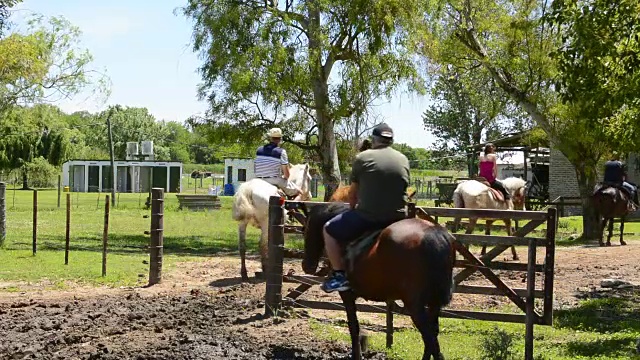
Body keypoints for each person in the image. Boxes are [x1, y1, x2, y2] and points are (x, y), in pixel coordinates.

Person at [320, 123, 410, 293]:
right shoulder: (403, 158)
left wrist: (352, 208)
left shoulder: (363, 157)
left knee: (328, 230)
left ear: (374, 140)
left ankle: (339, 276)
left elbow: (353, 195)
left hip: (369, 216)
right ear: (391, 141)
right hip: (399, 217)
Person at [254, 128, 303, 200]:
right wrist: (284, 177)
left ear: (270, 138)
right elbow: (287, 175)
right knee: (300, 193)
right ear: (280, 139)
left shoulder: (259, 150)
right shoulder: (281, 152)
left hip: (258, 180)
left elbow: (255, 169)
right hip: (274, 179)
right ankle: (291, 209)